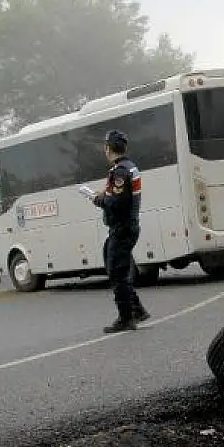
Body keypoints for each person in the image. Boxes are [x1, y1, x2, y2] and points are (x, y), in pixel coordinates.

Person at [92, 129, 150, 333]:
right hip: (124, 227)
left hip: (122, 228)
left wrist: (98, 199)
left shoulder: (121, 171)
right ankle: (136, 310)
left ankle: (126, 318)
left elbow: (117, 202)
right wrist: (104, 195)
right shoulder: (127, 167)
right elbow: (119, 195)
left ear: (108, 148)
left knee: (118, 273)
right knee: (114, 268)